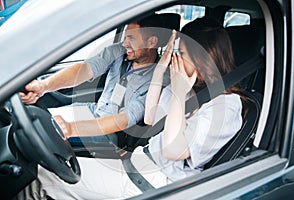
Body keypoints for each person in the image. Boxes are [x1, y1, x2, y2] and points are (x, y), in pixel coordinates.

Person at [17, 17, 245, 199]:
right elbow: (150, 115)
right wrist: (162, 67)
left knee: (40, 179)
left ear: (202, 59)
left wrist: (176, 89)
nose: (175, 60)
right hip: (136, 165)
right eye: (174, 54)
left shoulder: (226, 106)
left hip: (149, 183)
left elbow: (173, 150)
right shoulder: (189, 92)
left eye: (180, 55)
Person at [20, 14, 171, 148]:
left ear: (151, 42)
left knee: (40, 135)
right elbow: (84, 70)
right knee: (35, 120)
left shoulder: (160, 78)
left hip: (110, 132)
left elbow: (124, 119)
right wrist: (43, 86)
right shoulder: (119, 51)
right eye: (125, 37)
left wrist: (71, 128)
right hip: (94, 109)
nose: (125, 43)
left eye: (131, 38)